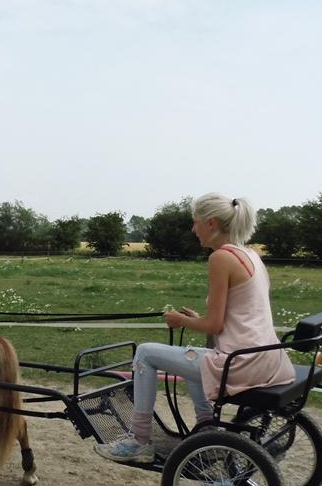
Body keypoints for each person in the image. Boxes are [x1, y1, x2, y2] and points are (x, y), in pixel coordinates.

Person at [95, 192, 295, 464]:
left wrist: (181, 321)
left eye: (195, 221)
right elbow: (241, 316)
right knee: (191, 356)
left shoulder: (220, 259)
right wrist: (196, 318)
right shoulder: (250, 256)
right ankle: (207, 431)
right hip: (268, 358)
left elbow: (214, 325)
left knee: (144, 352)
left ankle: (139, 441)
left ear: (211, 223)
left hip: (240, 362)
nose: (193, 229)